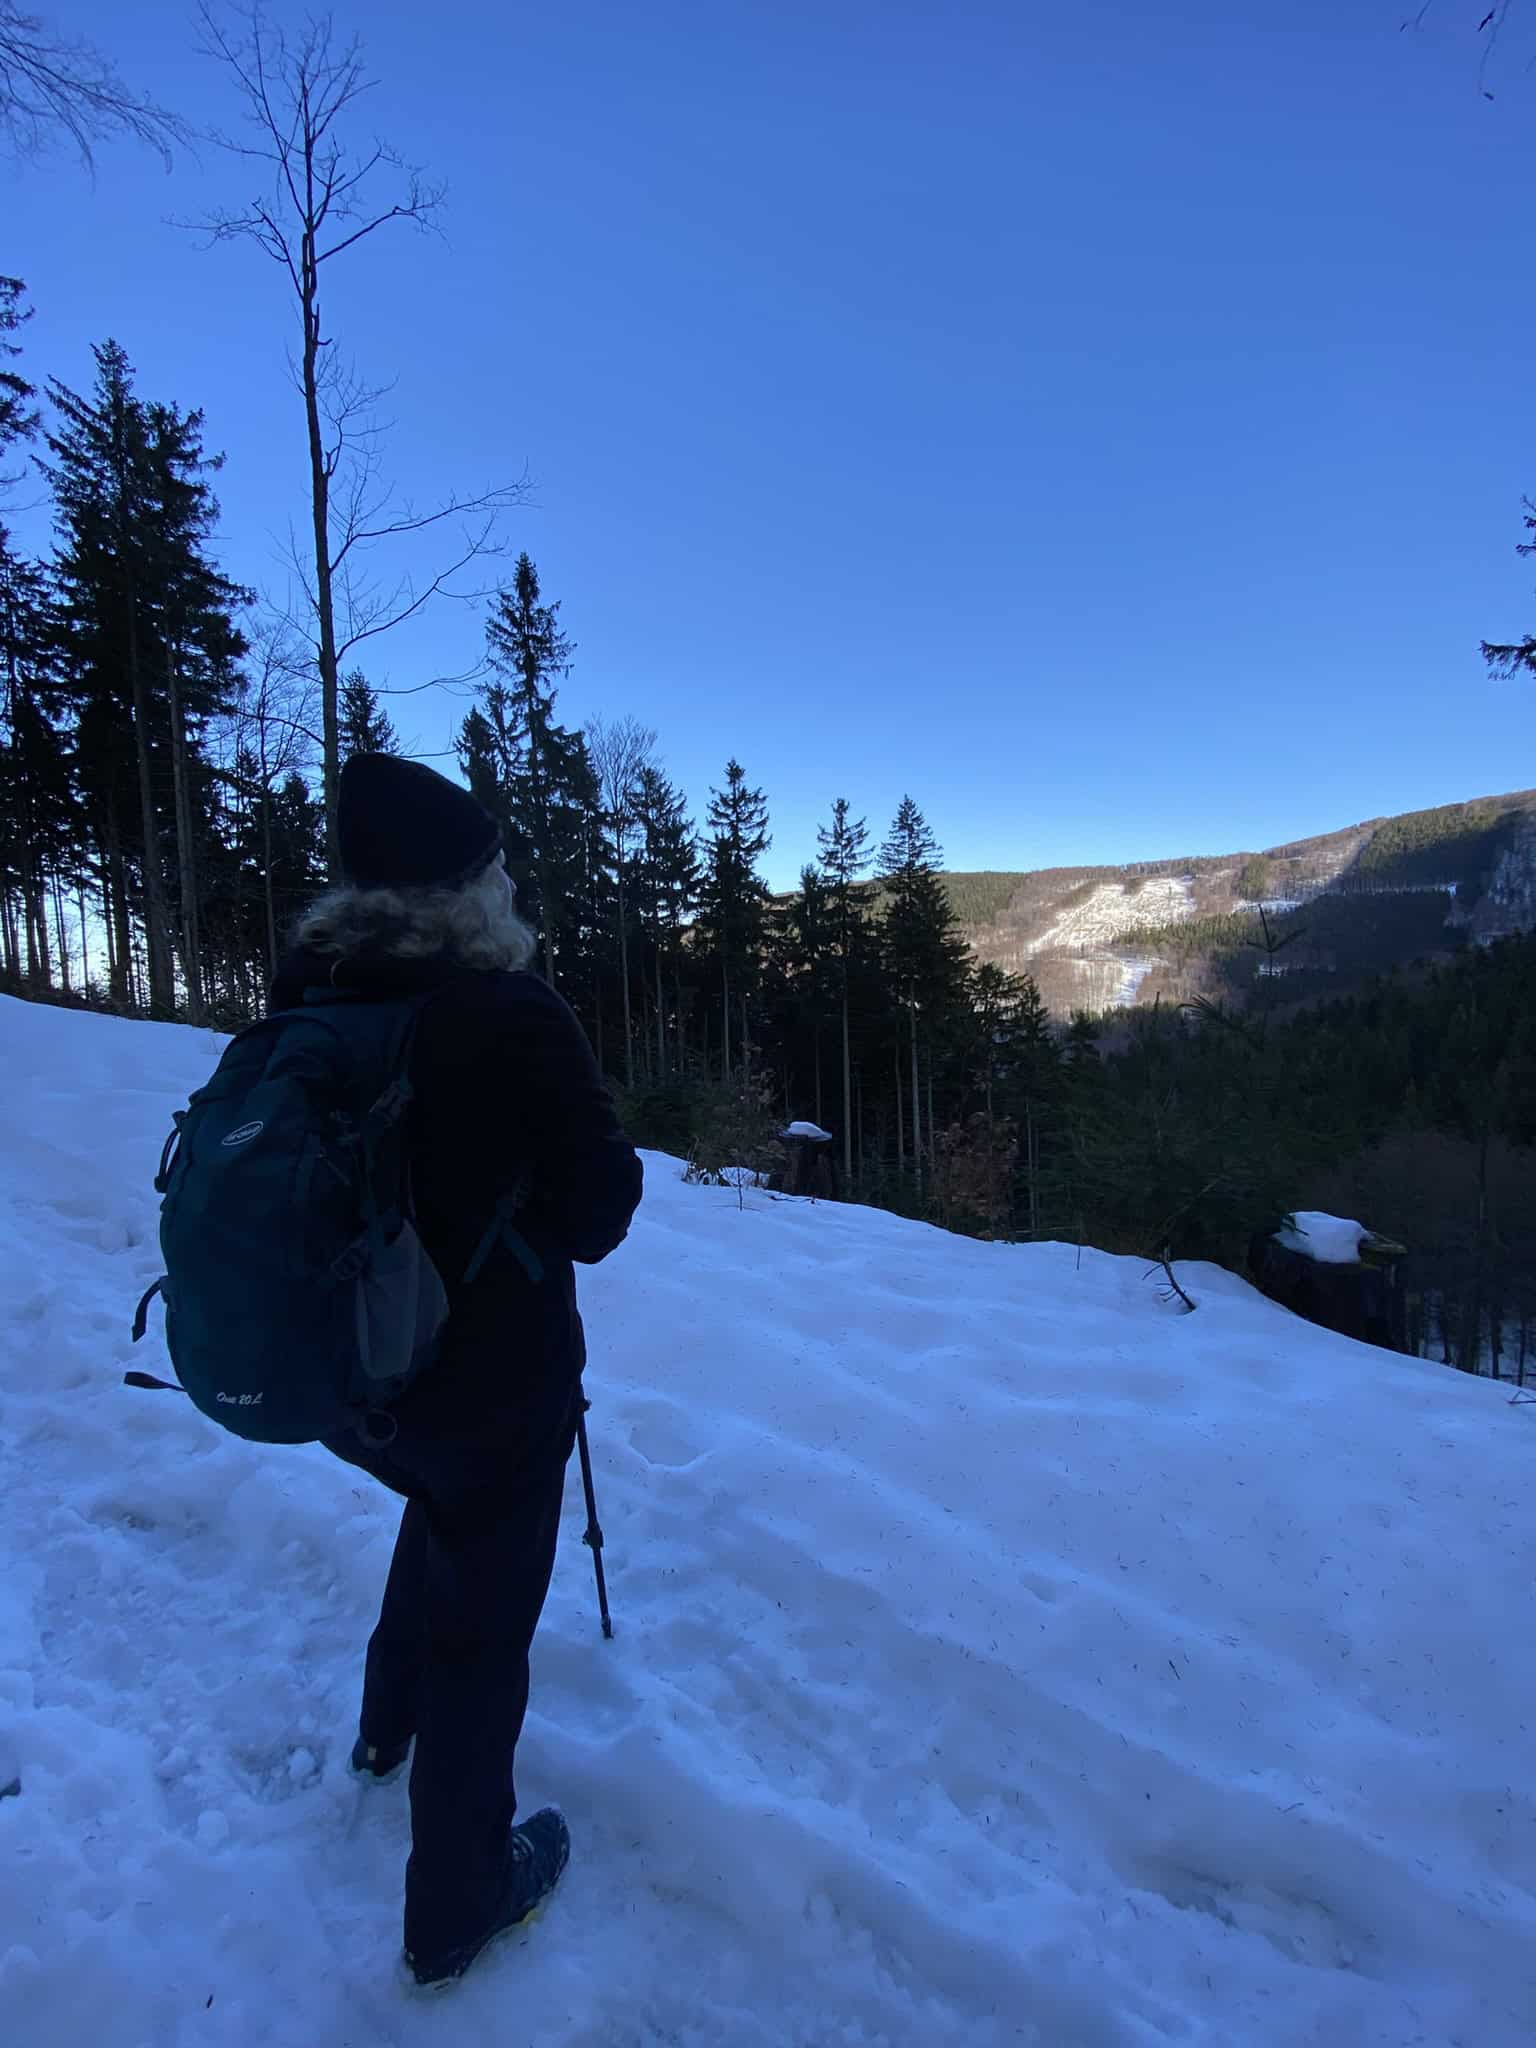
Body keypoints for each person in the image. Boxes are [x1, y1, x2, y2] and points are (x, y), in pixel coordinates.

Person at [270, 752, 643, 1988]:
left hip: (352, 1380)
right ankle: (455, 1906)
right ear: (470, 889)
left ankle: (385, 1731)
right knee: (483, 1624)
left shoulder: (309, 987)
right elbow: (600, 1212)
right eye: (497, 869)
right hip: (489, 1389)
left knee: (439, 1503)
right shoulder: (512, 1011)